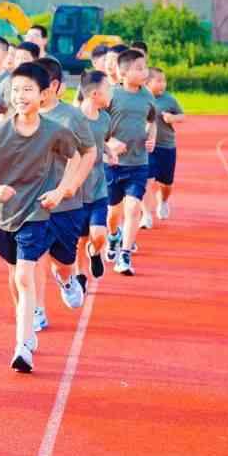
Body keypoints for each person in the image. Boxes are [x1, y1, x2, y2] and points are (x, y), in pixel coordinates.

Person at [0, 63, 81, 373]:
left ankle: (22, 345)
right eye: (15, 90)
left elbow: (76, 157)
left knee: (24, 276)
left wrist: (61, 191)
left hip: (36, 213)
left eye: (27, 89)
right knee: (14, 275)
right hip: (4, 214)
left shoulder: (55, 131)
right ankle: (26, 324)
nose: (20, 95)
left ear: (43, 95)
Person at [31, 56, 96, 322]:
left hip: (67, 204)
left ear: (55, 86)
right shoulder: (22, 115)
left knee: (64, 260)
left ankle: (67, 279)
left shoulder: (72, 116)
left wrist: (72, 185)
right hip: (32, 203)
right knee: (33, 257)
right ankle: (36, 309)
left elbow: (89, 152)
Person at [104, 49, 157, 276]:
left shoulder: (148, 96)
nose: (145, 72)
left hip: (139, 162)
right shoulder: (111, 95)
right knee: (113, 212)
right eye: (139, 68)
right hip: (113, 163)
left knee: (134, 207)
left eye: (145, 67)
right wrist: (109, 142)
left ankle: (125, 254)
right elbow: (97, 124)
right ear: (123, 72)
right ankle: (113, 235)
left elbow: (152, 121)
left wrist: (151, 136)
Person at [75, 71, 116, 288]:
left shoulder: (105, 119)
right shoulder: (73, 119)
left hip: (99, 186)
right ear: (94, 94)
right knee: (79, 239)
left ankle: (94, 251)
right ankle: (80, 276)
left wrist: (109, 151)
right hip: (76, 191)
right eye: (108, 88)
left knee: (99, 235)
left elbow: (100, 141)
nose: (111, 92)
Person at [143, 67, 184, 223]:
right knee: (146, 180)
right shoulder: (141, 98)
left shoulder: (169, 99)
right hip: (147, 147)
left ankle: (164, 201)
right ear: (147, 82)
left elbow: (182, 116)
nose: (163, 84)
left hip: (166, 146)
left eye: (164, 81)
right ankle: (146, 215)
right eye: (159, 81)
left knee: (166, 183)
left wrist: (172, 118)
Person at [0, 41, 41, 113]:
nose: (20, 62)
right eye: (17, 58)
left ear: (35, 60)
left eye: (24, 58)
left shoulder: (41, 81)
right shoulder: (8, 80)